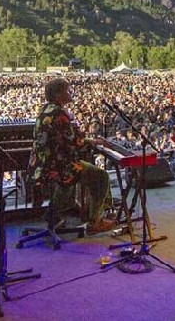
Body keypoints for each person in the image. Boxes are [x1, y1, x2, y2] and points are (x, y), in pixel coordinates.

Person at [30, 78, 115, 234]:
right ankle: (94, 221)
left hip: (43, 164)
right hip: (61, 166)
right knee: (101, 176)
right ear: (58, 94)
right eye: (67, 90)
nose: (70, 93)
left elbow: (65, 138)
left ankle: (53, 213)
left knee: (84, 174)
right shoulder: (60, 113)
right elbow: (76, 142)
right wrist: (94, 142)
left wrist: (88, 140)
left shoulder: (45, 110)